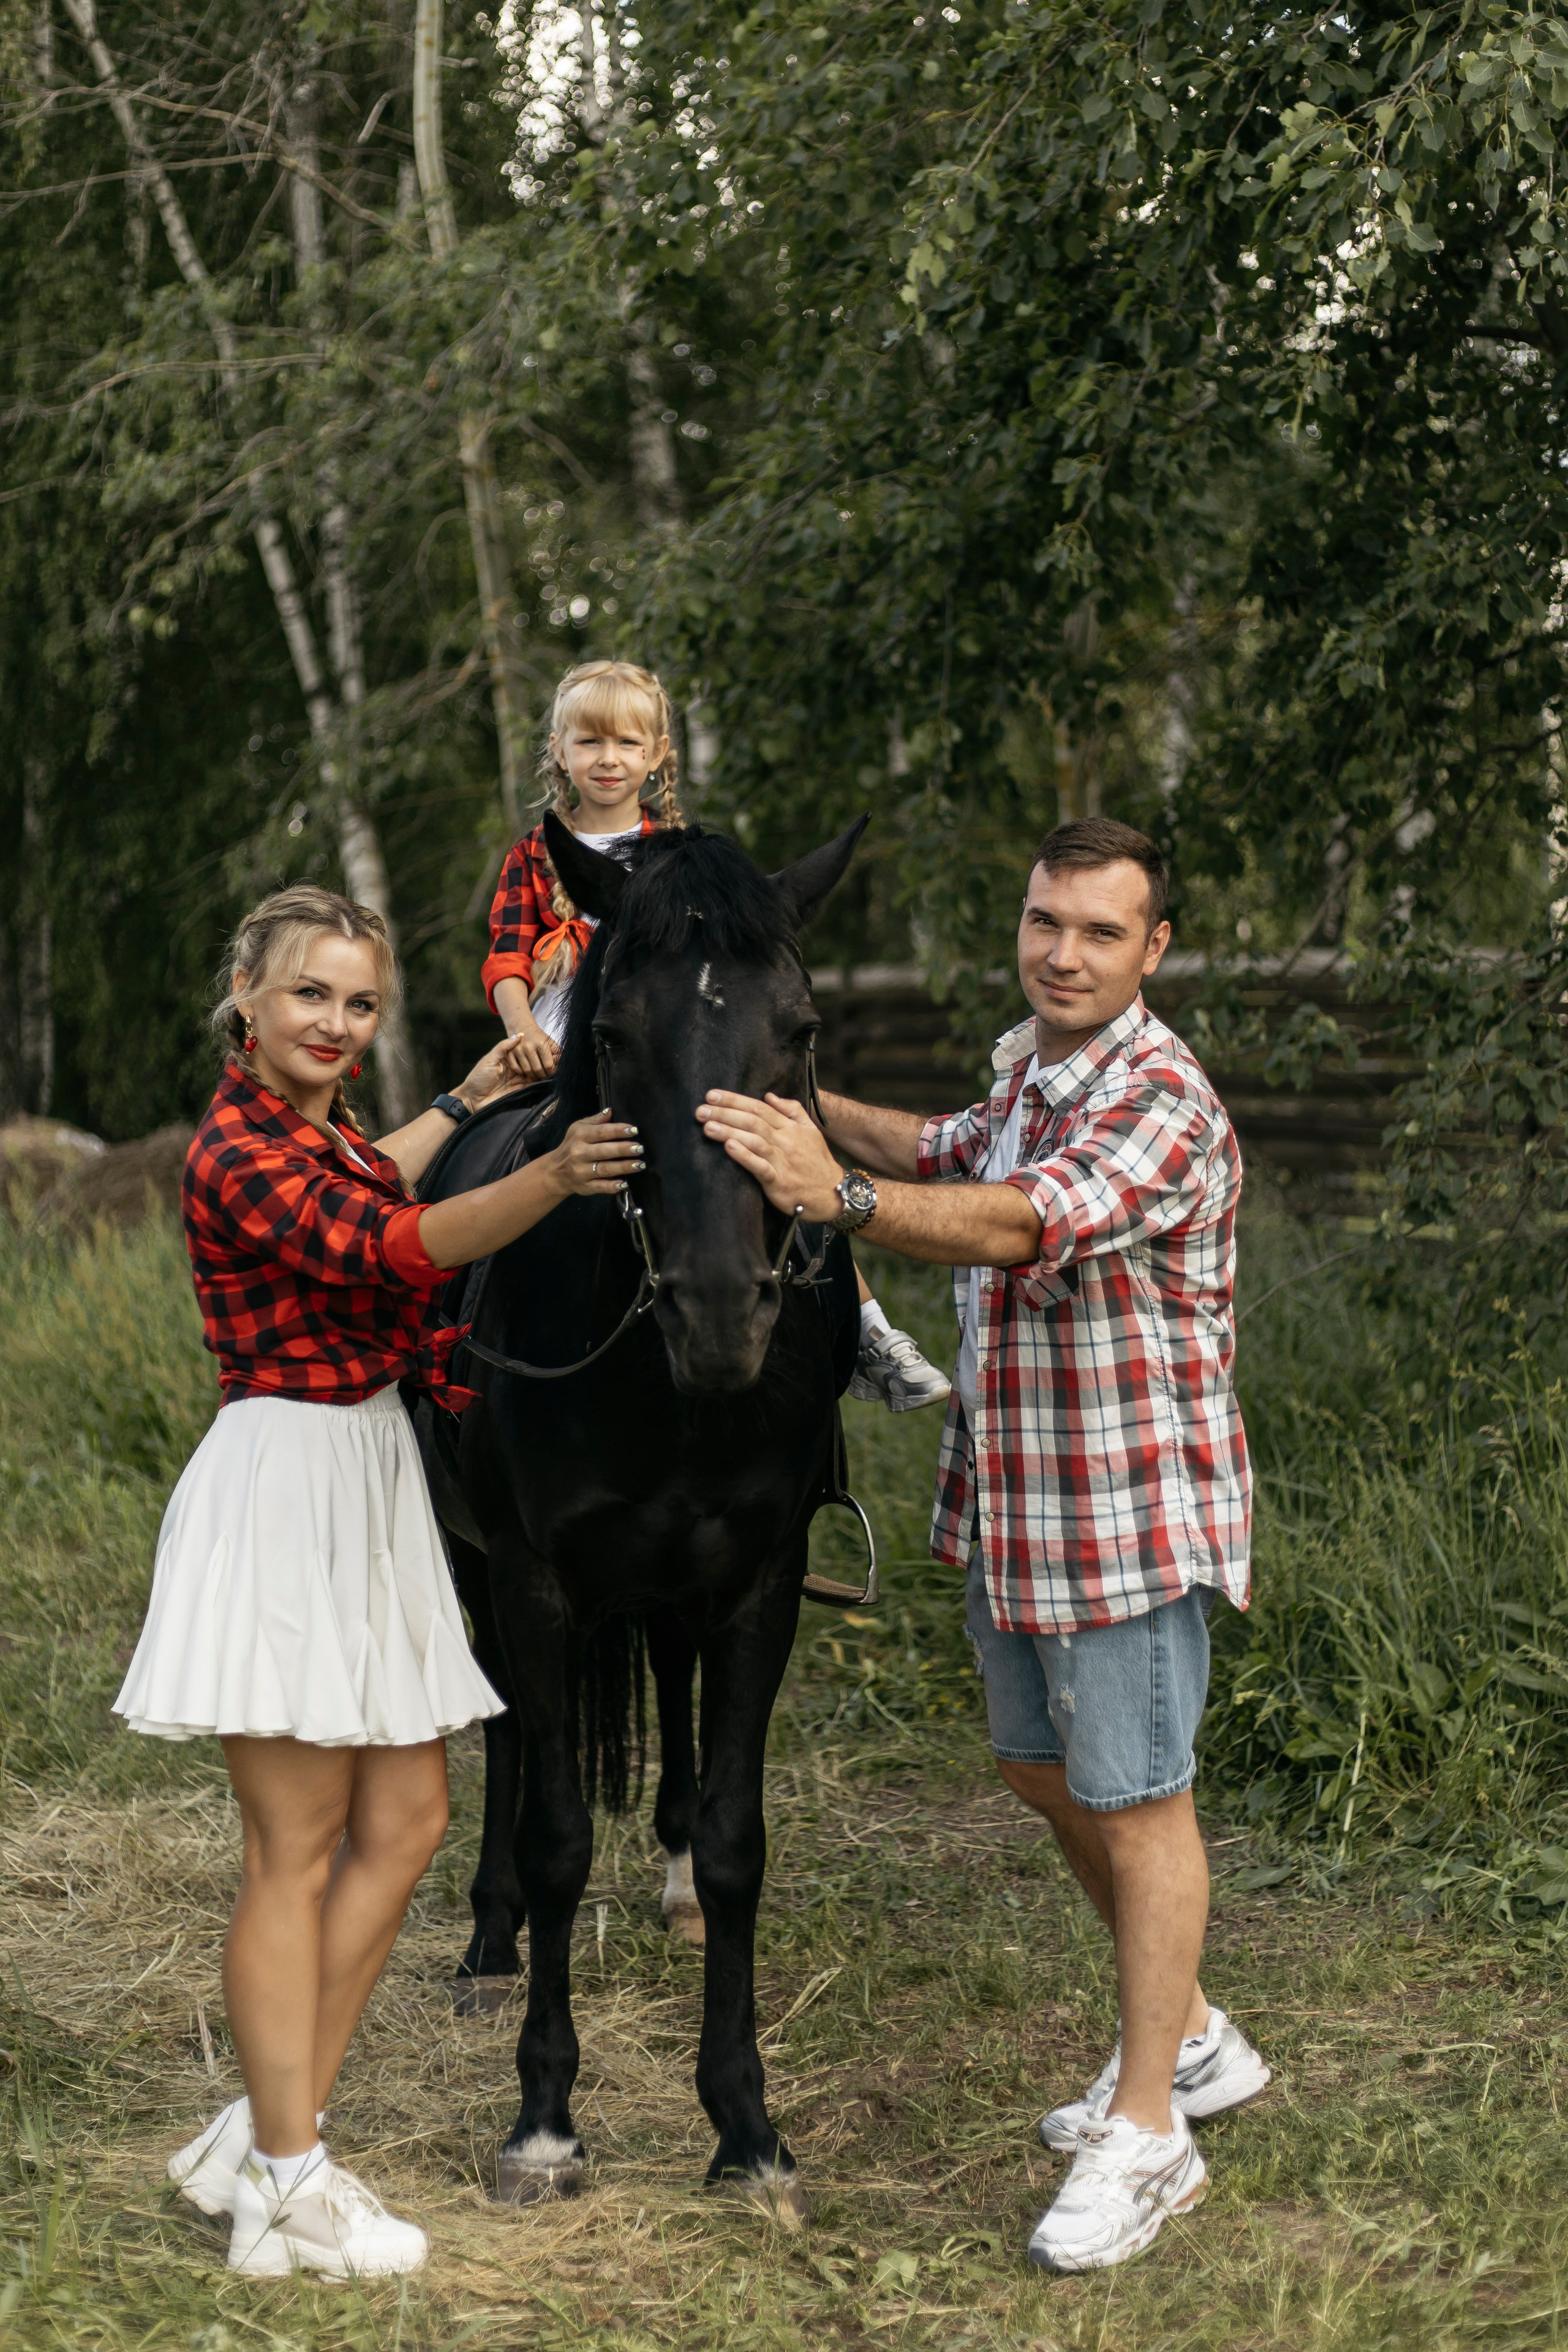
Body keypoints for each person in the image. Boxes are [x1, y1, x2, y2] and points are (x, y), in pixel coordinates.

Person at [695, 816, 1266, 2274]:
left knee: (1140, 1799)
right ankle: (1190, 2032)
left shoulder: (1156, 1093)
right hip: (1019, 1496)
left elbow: (1016, 1218)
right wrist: (784, 1095)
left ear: (1151, 948)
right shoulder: (1028, 1070)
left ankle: (1149, 2133)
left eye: (1095, 931)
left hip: (1122, 1508)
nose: (1060, 952)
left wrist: (841, 1198)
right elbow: (943, 1144)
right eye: (1042, 922)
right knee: (1035, 1765)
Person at [115, 883, 641, 2279]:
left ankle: (263, 2122)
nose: (336, 1023)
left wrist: (466, 1094)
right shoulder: (231, 1143)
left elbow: (377, 1172)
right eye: (309, 995)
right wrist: (548, 1172)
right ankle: (288, 2177)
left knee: (406, 1813)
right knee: (291, 1848)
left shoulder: (319, 1126)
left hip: (366, 1467)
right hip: (285, 1478)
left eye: (359, 1002)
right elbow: (384, 1242)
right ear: (246, 991)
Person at [482, 655, 948, 1413]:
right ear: (559, 752)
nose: (610, 760)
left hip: (671, 1047)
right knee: (463, 1143)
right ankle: (427, 1315)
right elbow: (505, 955)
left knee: (786, 1171)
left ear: (658, 754)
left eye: (628, 745)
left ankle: (867, 1330)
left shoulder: (679, 858)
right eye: (591, 744)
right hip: (551, 1037)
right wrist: (522, 1027)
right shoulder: (535, 855)